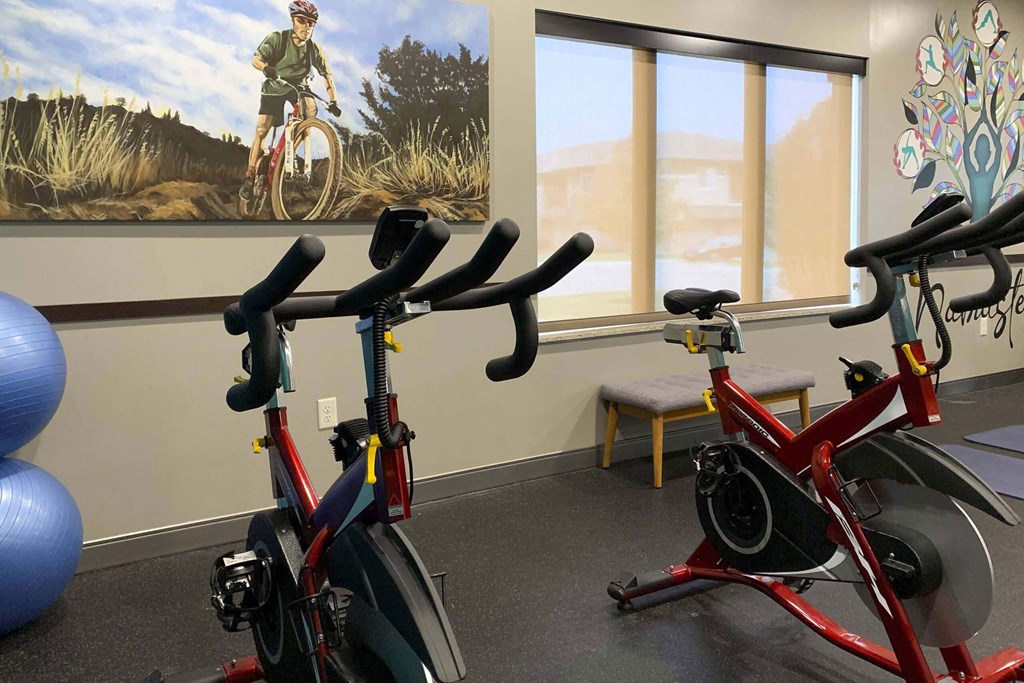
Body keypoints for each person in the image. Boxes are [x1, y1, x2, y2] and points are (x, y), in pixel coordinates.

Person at [241, 1, 341, 200]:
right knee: (262, 130)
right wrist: (265, 68)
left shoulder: (314, 49)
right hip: (275, 86)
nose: (306, 26)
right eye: (301, 21)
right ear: (293, 21)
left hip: (298, 87)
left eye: (311, 23)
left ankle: (296, 156)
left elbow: (327, 77)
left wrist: (333, 101)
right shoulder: (278, 38)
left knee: (310, 109)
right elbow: (256, 59)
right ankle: (250, 175)